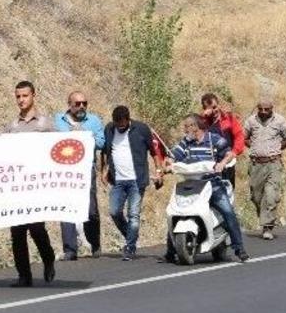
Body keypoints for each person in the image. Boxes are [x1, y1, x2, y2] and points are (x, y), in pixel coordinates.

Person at [164, 114, 249, 262]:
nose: (185, 129)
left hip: (212, 184)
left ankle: (239, 248)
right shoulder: (186, 142)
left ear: (196, 127)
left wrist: (221, 164)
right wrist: (168, 163)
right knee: (176, 212)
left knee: (228, 212)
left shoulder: (214, 139)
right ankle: (171, 250)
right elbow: (174, 155)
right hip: (190, 185)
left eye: (188, 125)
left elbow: (229, 154)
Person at [5, 81, 56, 287]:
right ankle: (24, 275)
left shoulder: (45, 124)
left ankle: (48, 258)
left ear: (33, 95)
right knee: (17, 233)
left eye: (25, 96)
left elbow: (58, 150)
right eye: (18, 96)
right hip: (17, 188)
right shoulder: (12, 127)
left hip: (37, 187)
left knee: (36, 229)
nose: (21, 100)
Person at [101, 105, 163, 261]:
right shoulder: (109, 129)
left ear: (128, 120)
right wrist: (104, 170)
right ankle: (131, 235)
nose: (120, 127)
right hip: (118, 181)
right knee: (114, 212)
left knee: (133, 214)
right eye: (117, 124)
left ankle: (130, 246)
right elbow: (106, 152)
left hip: (137, 180)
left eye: (123, 124)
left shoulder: (141, 129)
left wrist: (159, 171)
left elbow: (154, 151)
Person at [54, 91, 105, 260]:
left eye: (85, 103)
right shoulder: (58, 121)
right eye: (77, 104)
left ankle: (95, 245)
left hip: (85, 170)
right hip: (64, 171)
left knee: (91, 209)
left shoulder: (94, 121)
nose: (82, 106)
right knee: (66, 208)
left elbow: (101, 142)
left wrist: (83, 134)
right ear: (69, 105)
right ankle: (70, 249)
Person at [243, 99, 286, 240]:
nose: (263, 112)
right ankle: (265, 219)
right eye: (261, 109)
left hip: (273, 164)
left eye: (267, 109)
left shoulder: (280, 121)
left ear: (272, 109)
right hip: (255, 164)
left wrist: (277, 149)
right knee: (256, 196)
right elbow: (244, 137)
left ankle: (267, 227)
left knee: (271, 195)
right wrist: (253, 147)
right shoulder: (251, 121)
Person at [200, 93, 246, 189]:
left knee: (227, 194)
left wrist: (234, 152)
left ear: (218, 105)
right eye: (209, 109)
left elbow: (239, 137)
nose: (213, 111)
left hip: (227, 164)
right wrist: (204, 117)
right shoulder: (203, 123)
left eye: (215, 107)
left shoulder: (229, 119)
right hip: (209, 165)